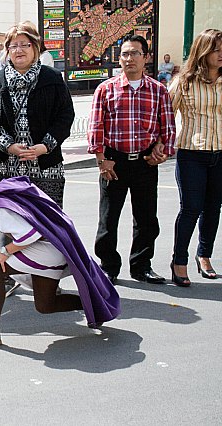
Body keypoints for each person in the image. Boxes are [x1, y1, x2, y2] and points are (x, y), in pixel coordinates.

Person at [0, 164, 120, 347]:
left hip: (48, 251)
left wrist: (5, 251)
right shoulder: (3, 192)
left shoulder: (0, 207)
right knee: (45, 305)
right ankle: (95, 305)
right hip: (55, 248)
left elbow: (30, 234)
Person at [0, 22, 74, 295]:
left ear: (36, 48)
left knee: (49, 222)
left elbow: (65, 117)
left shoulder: (52, 79)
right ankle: (7, 274)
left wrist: (45, 146)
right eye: (12, 46)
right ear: (6, 51)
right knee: (11, 219)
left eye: (24, 44)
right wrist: (8, 146)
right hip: (10, 167)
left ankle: (47, 279)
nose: (18, 50)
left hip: (47, 165)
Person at [88, 34, 176, 285]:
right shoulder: (106, 89)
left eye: (135, 53)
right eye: (125, 54)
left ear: (146, 57)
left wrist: (162, 150)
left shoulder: (158, 90)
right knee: (108, 218)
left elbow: (166, 126)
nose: (129, 59)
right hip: (113, 162)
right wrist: (101, 160)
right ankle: (108, 266)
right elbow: (96, 126)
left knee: (147, 218)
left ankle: (141, 265)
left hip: (145, 162)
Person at [168, 29, 222, 286]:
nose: (221, 54)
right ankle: (179, 260)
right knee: (191, 208)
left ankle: (205, 255)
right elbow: (166, 116)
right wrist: (161, 146)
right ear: (203, 51)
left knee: (213, 208)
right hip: (192, 153)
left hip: (221, 153)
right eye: (216, 49)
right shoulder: (184, 81)